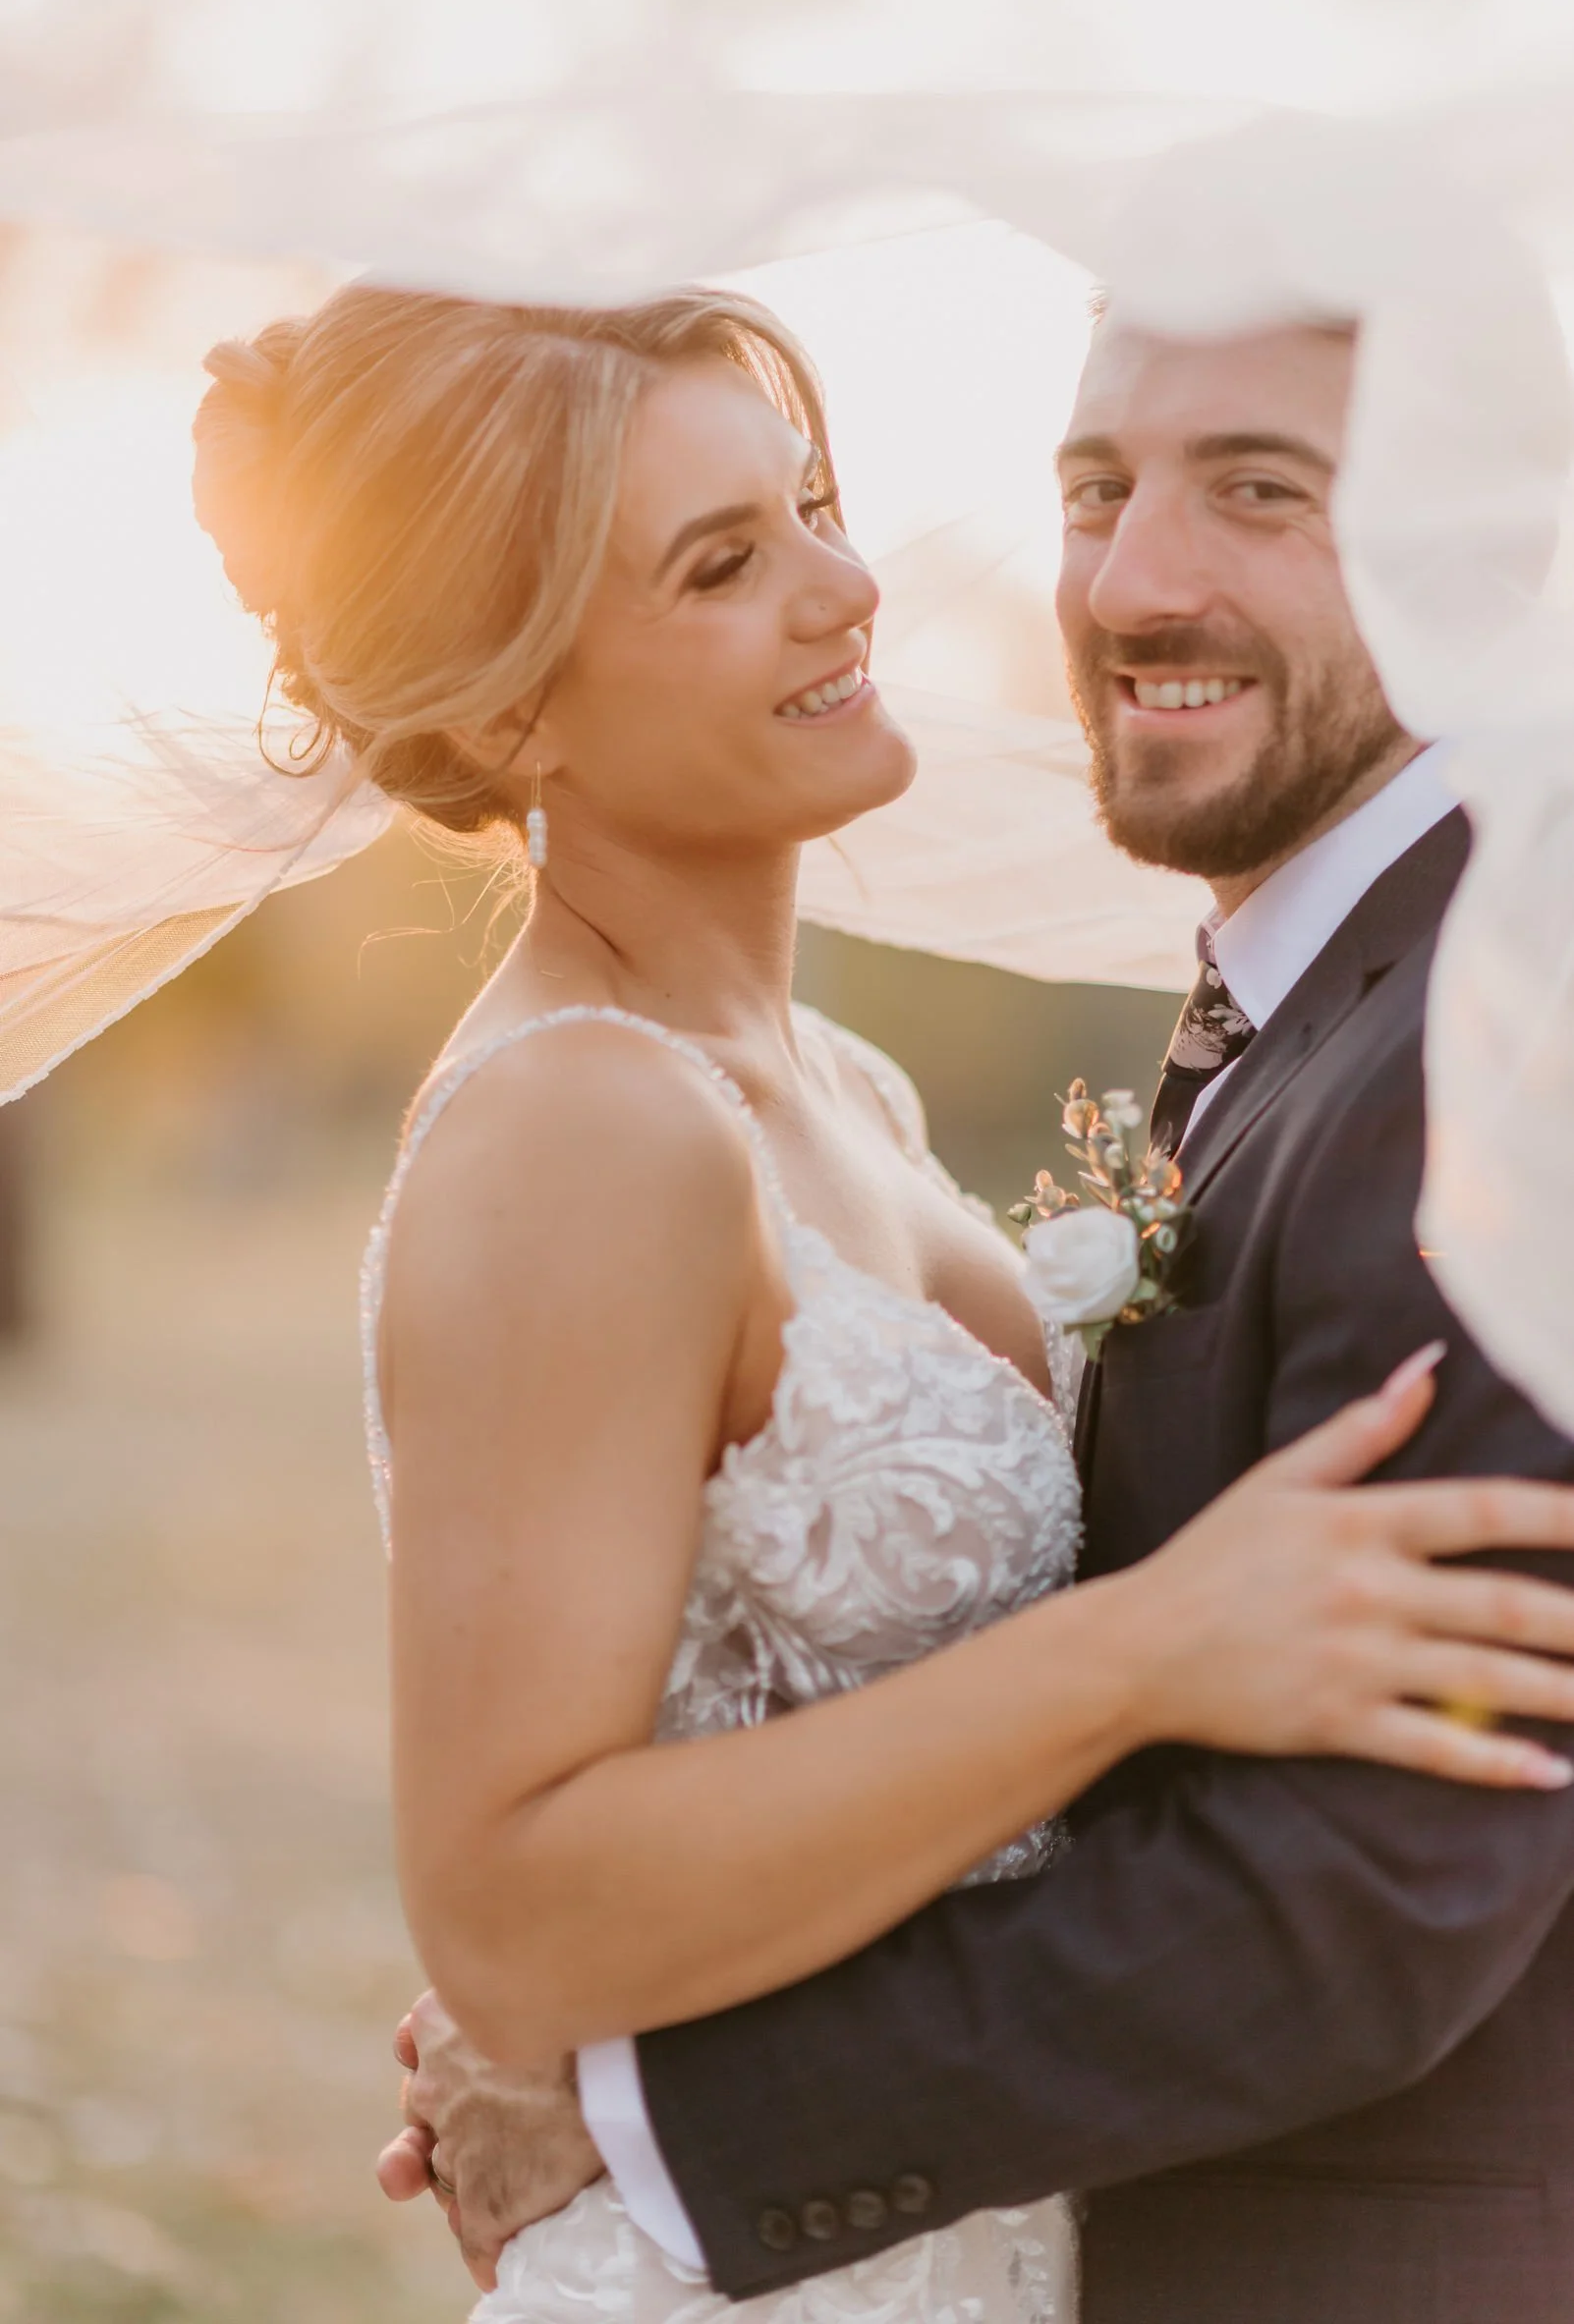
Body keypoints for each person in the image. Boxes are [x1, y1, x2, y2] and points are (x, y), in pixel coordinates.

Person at [190, 285, 1574, 2324]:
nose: (844, 589)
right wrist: (1139, 1654)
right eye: (723, 564)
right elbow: (510, 1905)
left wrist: (675, 2065)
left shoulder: (853, 1098)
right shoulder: (587, 1127)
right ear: (510, 715)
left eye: (812, 508)